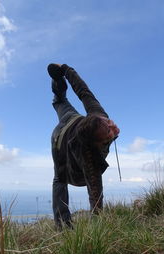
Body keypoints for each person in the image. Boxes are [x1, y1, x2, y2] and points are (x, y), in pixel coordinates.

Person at [48, 63, 120, 229]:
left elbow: (83, 91)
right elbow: (95, 193)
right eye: (109, 132)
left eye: (109, 124)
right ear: (95, 143)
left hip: (72, 119)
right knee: (60, 179)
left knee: (60, 101)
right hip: (59, 140)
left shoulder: (98, 114)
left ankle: (57, 80)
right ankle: (63, 226)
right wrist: (98, 225)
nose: (114, 128)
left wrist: (66, 70)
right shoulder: (89, 156)